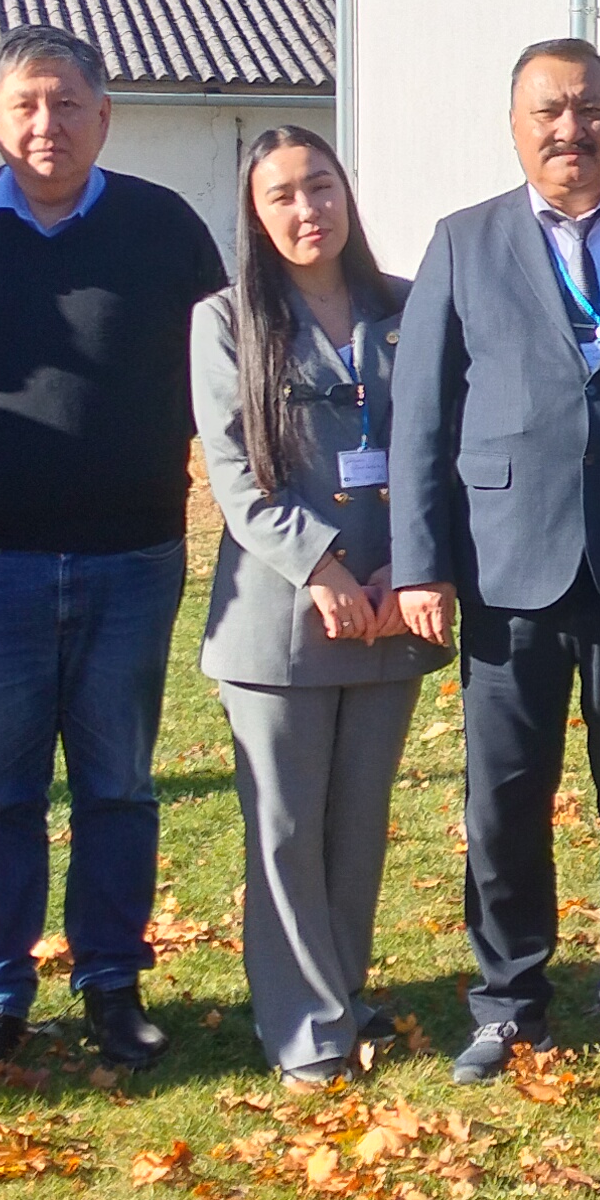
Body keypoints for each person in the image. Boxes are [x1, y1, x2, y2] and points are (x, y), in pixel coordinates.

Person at [393, 40, 600, 1079]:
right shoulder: (463, 242)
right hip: (507, 567)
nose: (570, 130)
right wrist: (418, 563)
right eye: (548, 112)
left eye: (590, 110)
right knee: (503, 799)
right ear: (515, 125)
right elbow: (420, 417)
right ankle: (508, 1002)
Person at [0, 24, 227, 1087]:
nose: (47, 124)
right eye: (25, 105)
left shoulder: (162, 226)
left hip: (131, 557)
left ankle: (111, 982)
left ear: (104, 115)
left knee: (117, 785)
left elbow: (225, 371)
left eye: (67, 103)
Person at [192, 124, 442, 1082]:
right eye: (283, 196)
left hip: (389, 603)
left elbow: (435, 446)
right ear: (256, 217)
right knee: (287, 832)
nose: (308, 210)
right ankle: (306, 1031)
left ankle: (340, 990)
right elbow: (233, 476)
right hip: (280, 615)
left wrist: (407, 568)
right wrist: (325, 570)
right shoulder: (226, 321)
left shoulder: (407, 306)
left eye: (322, 186)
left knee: (356, 826)